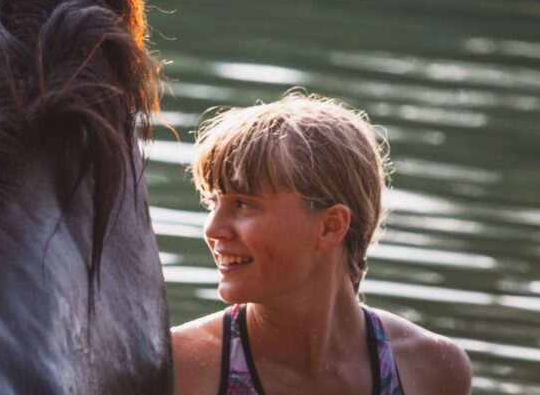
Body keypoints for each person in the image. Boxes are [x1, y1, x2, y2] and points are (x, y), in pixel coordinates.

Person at [172, 91, 471, 395]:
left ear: (331, 226)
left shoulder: (433, 368)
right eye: (212, 203)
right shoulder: (177, 368)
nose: (213, 229)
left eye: (243, 205)